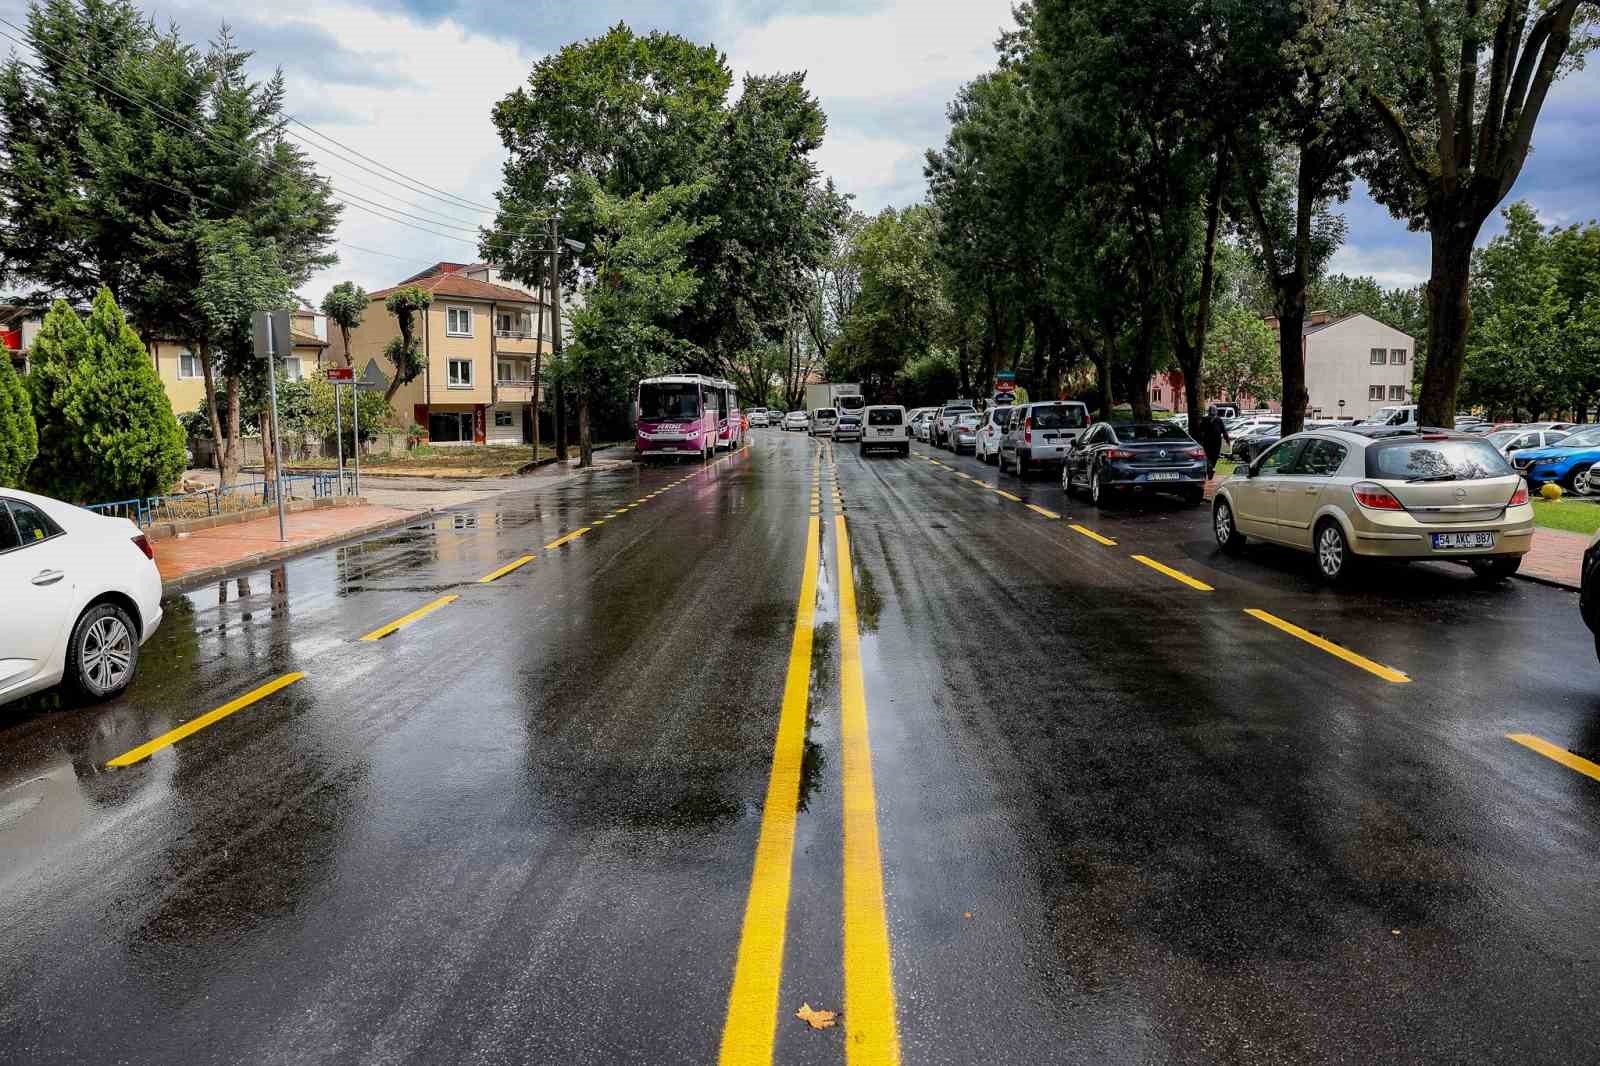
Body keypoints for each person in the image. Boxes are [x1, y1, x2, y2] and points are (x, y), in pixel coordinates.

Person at [1199, 413, 1230, 479]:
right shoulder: (1218, 420)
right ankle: (1211, 467)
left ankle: (1210, 467)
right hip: (1216, 442)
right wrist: (1227, 441)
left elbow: (1200, 431)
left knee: (1209, 456)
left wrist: (1201, 440)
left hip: (1207, 441)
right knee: (1214, 456)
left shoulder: (1205, 419)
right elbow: (1224, 431)